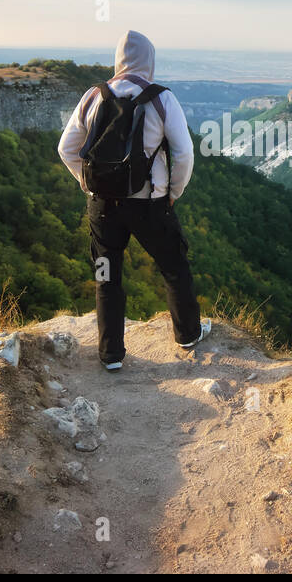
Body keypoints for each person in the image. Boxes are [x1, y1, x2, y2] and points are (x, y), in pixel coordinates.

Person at [57, 30, 210, 371]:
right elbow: (184, 154)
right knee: (174, 265)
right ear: (149, 62)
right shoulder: (161, 98)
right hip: (149, 204)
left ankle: (111, 355)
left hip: (103, 205)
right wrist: (172, 193)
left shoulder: (93, 96)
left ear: (119, 61)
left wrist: (88, 184)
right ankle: (187, 334)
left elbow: (66, 149)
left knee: (106, 274)